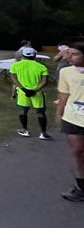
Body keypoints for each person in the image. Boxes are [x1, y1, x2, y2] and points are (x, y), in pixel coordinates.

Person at [55, 42, 84, 202]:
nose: (69, 57)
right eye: (69, 53)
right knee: (77, 153)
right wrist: (59, 113)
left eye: (74, 54)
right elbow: (64, 94)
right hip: (73, 118)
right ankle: (81, 188)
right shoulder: (66, 72)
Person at [10, 47, 51, 140]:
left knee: (23, 111)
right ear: (35, 56)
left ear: (23, 55)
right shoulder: (42, 67)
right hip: (37, 93)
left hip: (22, 92)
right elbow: (44, 81)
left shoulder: (16, 65)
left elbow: (13, 78)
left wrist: (23, 89)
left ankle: (25, 130)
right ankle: (43, 133)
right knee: (40, 112)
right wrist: (34, 90)